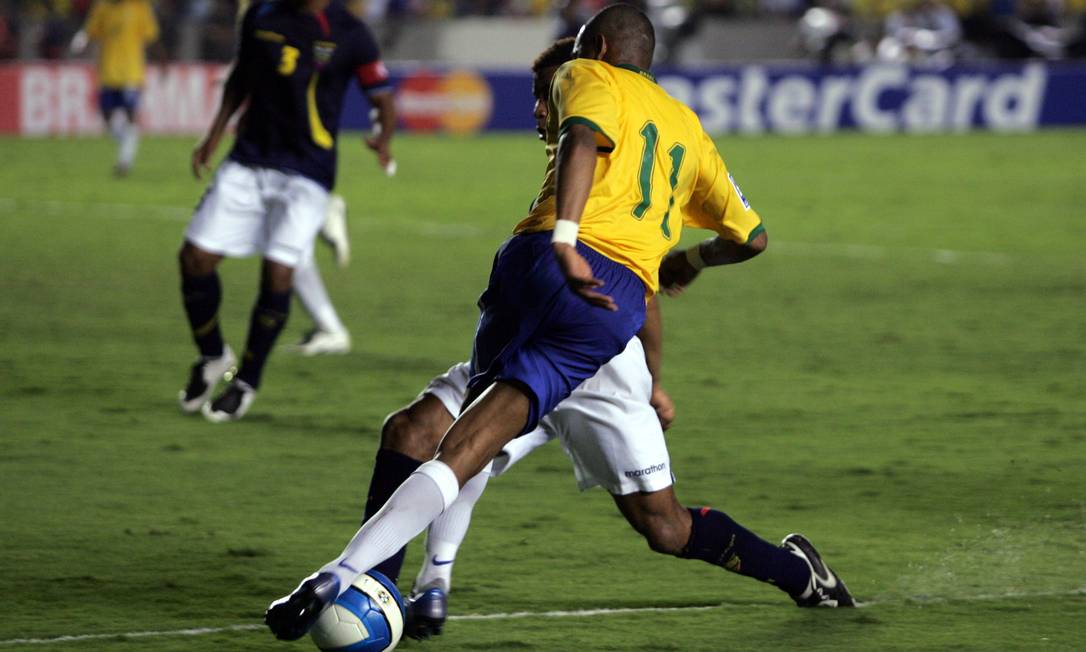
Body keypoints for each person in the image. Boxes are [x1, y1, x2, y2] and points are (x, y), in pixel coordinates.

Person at [265, 6, 848, 641]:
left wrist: (651, 378)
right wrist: (692, 258)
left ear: (592, 52)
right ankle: (407, 587)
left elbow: (634, 286)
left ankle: (797, 575)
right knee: (420, 431)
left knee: (663, 525)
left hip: (601, 358)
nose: (541, 114)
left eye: (546, 100)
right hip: (564, 311)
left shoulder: (592, 90)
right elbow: (745, 239)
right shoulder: (674, 137)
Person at [176, 0, 395, 422]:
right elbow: (240, 79)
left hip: (307, 173)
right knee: (195, 259)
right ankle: (212, 356)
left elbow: (382, 97)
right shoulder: (261, 14)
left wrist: (383, 140)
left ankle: (246, 382)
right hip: (248, 161)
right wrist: (213, 136)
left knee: (279, 271)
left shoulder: (351, 32)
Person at [70, 0, 159, 177]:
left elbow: (151, 36)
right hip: (108, 72)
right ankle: (128, 142)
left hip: (131, 72)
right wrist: (82, 39)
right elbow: (91, 31)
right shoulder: (102, 7)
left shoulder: (139, 6)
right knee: (106, 117)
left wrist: (162, 61)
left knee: (130, 114)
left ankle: (125, 160)